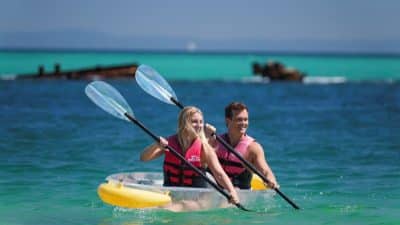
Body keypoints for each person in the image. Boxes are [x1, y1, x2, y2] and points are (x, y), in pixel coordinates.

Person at [140, 106, 240, 211]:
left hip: (199, 201)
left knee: (183, 204)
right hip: (173, 197)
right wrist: (156, 145)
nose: (199, 125)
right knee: (176, 204)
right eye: (194, 122)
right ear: (184, 123)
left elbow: (219, 174)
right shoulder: (170, 144)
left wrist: (232, 193)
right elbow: (144, 158)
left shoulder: (204, 148)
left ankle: (153, 211)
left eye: (201, 122)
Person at [208, 102, 279, 190]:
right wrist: (205, 136)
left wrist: (271, 180)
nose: (243, 123)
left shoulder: (253, 148)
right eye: (239, 119)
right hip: (215, 191)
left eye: (245, 119)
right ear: (228, 121)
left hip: (239, 194)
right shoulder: (215, 142)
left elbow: (265, 170)